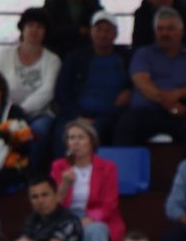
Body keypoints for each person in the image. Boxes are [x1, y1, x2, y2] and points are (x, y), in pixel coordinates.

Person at [116, 8, 186, 147]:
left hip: (180, 114)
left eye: (170, 29)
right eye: (160, 29)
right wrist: (171, 105)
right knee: (125, 126)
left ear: (181, 32)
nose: (164, 33)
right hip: (145, 112)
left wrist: (178, 94)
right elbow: (142, 83)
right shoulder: (143, 54)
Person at [50, 118, 124, 241]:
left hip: (97, 217)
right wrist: (64, 185)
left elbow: (110, 204)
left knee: (96, 231)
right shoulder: (59, 167)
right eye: (71, 138)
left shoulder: (107, 168)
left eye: (80, 137)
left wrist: (89, 219)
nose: (75, 142)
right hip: (66, 216)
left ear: (91, 141)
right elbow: (52, 206)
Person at [51, 10, 132, 147]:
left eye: (108, 30)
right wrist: (77, 116)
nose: (103, 34)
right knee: (62, 133)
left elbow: (138, 80)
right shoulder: (75, 58)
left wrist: (130, 91)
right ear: (91, 32)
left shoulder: (126, 57)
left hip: (111, 115)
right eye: (98, 29)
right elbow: (62, 91)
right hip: (76, 114)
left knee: (95, 132)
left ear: (115, 34)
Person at [0, 8, 60, 157]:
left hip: (39, 114)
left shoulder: (53, 60)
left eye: (40, 27)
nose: (34, 30)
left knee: (38, 132)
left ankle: (32, 175)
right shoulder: (4, 54)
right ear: (22, 29)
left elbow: (48, 91)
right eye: (30, 25)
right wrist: (9, 112)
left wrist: (21, 111)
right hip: (5, 112)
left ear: (45, 32)